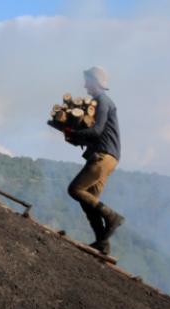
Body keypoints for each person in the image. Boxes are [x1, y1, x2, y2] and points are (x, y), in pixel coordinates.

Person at [64, 66, 124, 255]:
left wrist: (74, 132)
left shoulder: (102, 101)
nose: (84, 85)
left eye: (87, 81)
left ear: (95, 82)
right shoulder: (102, 102)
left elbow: (97, 130)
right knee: (89, 201)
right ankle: (102, 243)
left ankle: (112, 217)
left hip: (103, 156)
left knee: (75, 189)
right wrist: (75, 138)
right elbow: (96, 134)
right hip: (108, 157)